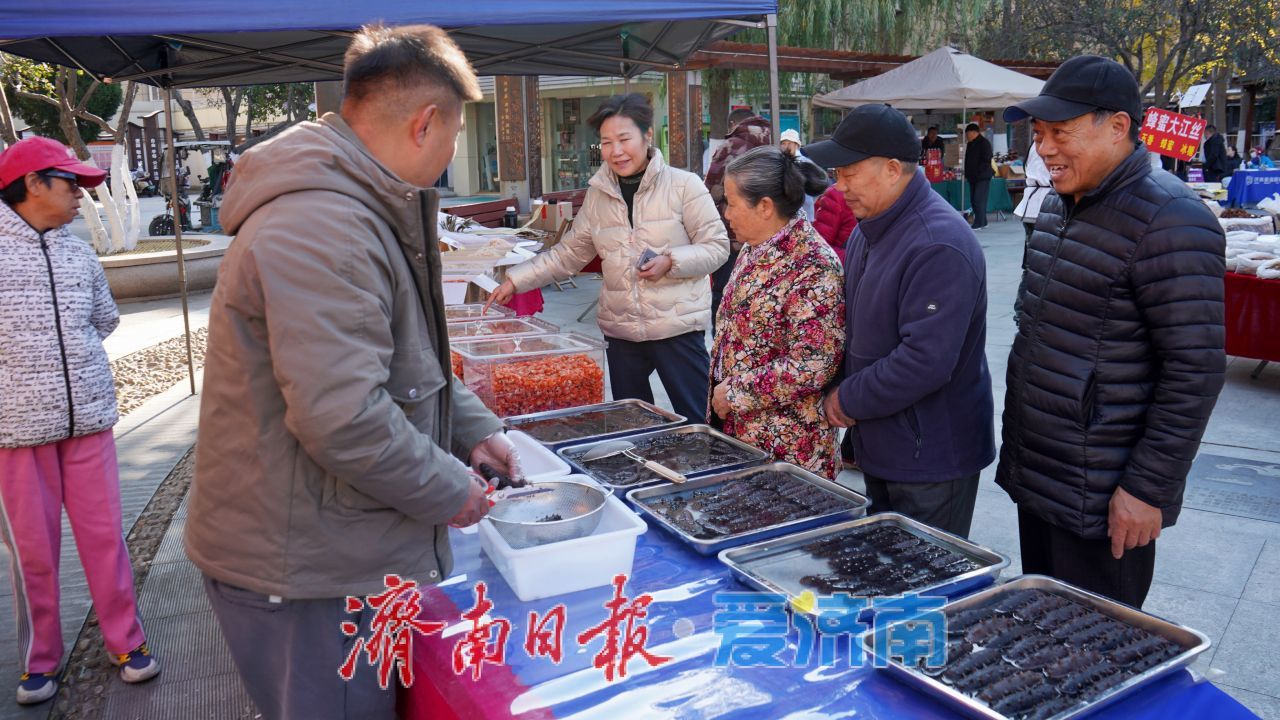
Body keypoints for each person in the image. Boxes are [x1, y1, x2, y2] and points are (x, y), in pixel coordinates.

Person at [185, 25, 522, 719]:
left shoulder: (354, 204)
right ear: (425, 124)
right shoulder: (325, 224)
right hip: (305, 568)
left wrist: (473, 430)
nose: (452, 153)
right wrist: (449, 491)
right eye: (457, 134)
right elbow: (342, 418)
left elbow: (404, 358)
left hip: (325, 543)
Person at [998, 55, 1226, 608]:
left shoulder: (1171, 218)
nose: (1045, 149)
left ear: (1118, 126)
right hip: (1044, 474)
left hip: (1105, 491)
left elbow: (1194, 370)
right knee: (1043, 627)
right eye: (1040, 134)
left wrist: (1147, 488)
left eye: (1061, 133)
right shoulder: (1058, 205)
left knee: (1097, 642)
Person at [0, 137, 161, 706]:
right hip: (17, 433)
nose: (79, 195)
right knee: (33, 552)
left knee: (104, 537)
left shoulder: (79, 253)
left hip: (89, 420)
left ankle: (127, 641)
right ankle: (40, 659)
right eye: (70, 183)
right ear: (32, 184)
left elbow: (104, 318)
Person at [806, 104, 995, 539]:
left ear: (893, 170)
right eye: (837, 173)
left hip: (931, 455)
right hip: (882, 442)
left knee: (928, 573)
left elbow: (925, 360)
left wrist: (847, 398)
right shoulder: (867, 231)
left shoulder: (938, 242)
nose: (840, 186)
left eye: (850, 172)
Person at [487, 94, 728, 422]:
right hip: (621, 330)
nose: (616, 151)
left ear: (647, 136)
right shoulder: (598, 195)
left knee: (700, 419)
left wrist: (671, 261)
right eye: (606, 142)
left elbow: (717, 246)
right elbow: (570, 254)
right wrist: (516, 281)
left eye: (624, 139)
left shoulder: (684, 185)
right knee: (632, 423)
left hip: (677, 327)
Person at [709, 146, 845, 478]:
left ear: (765, 206)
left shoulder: (813, 265)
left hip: (787, 448)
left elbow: (813, 363)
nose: (726, 213)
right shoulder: (754, 246)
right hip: (741, 435)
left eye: (732, 203)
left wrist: (735, 393)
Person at [705, 108, 773, 323]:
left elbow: (710, 191)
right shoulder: (773, 144)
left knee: (725, 294)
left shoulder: (731, 146)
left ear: (733, 124)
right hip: (769, 234)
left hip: (733, 236)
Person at [778, 128, 825, 220]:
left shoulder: (805, 163)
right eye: (783, 143)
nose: (786, 146)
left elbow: (818, 186)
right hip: (786, 214)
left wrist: (809, 200)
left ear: (796, 145)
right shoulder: (779, 163)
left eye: (789, 143)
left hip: (805, 213)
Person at [812, 184, 857, 265]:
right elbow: (819, 246)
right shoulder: (837, 194)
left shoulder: (880, 197)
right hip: (844, 266)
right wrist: (855, 260)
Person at [964, 122, 994, 229]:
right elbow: (967, 159)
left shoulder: (984, 143)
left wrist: (978, 170)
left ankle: (978, 223)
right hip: (972, 177)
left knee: (978, 199)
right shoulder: (970, 144)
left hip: (982, 176)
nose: (967, 136)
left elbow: (987, 158)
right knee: (973, 200)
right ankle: (983, 221)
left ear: (974, 132)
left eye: (967, 134)